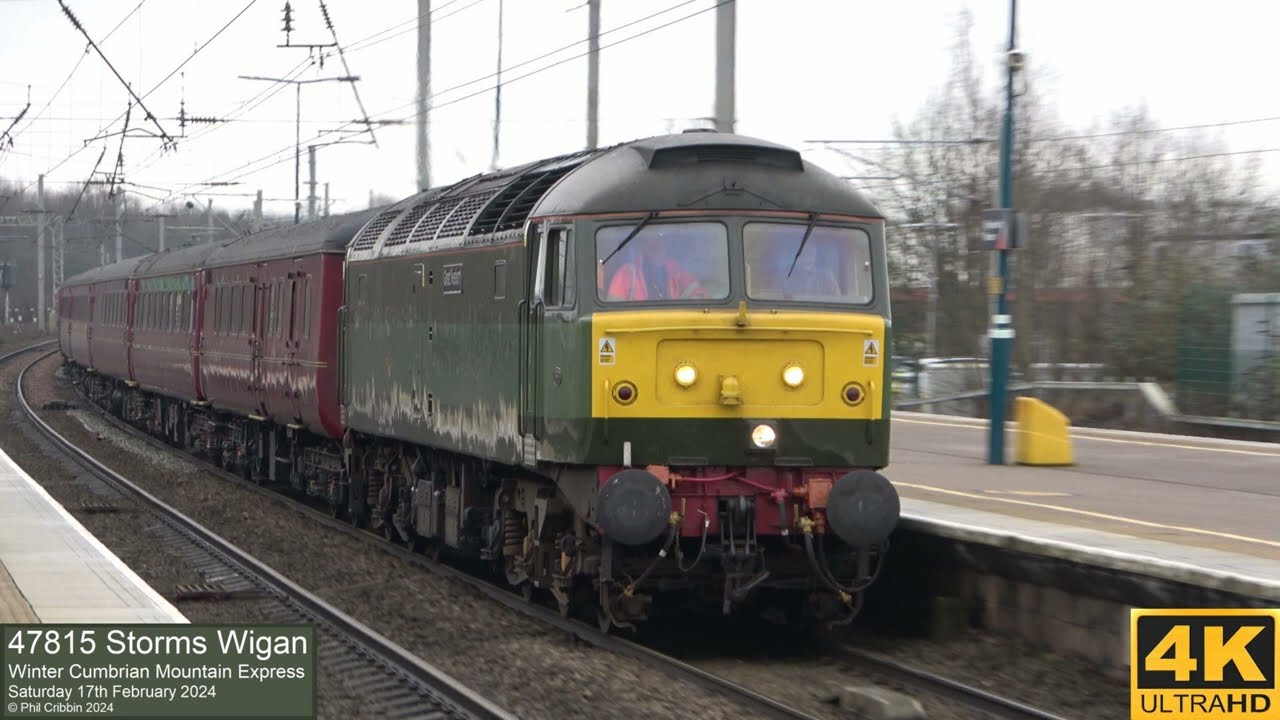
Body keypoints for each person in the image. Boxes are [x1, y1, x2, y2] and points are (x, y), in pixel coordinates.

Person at [603, 231, 704, 301]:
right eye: (652, 240)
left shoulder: (676, 270)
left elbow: (699, 295)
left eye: (661, 239)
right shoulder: (626, 273)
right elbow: (612, 313)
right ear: (644, 245)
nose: (658, 243)